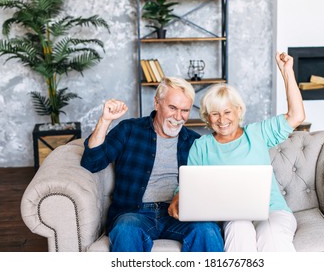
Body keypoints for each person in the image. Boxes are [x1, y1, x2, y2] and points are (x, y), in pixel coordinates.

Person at [169, 52, 305, 252]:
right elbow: (190, 185)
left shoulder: (258, 133)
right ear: (207, 117)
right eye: (215, 114)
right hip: (233, 215)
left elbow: (297, 115)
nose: (221, 120)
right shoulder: (202, 145)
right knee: (238, 231)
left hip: (272, 211)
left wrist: (287, 72)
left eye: (227, 112)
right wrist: (178, 197)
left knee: (272, 236)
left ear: (238, 111)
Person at [80, 77, 224, 252]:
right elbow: (91, 162)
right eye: (172, 108)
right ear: (157, 103)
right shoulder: (129, 130)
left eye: (184, 110)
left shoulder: (196, 142)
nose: (178, 117)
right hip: (135, 214)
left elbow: (210, 185)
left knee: (207, 230)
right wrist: (105, 121)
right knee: (125, 229)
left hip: (179, 215)